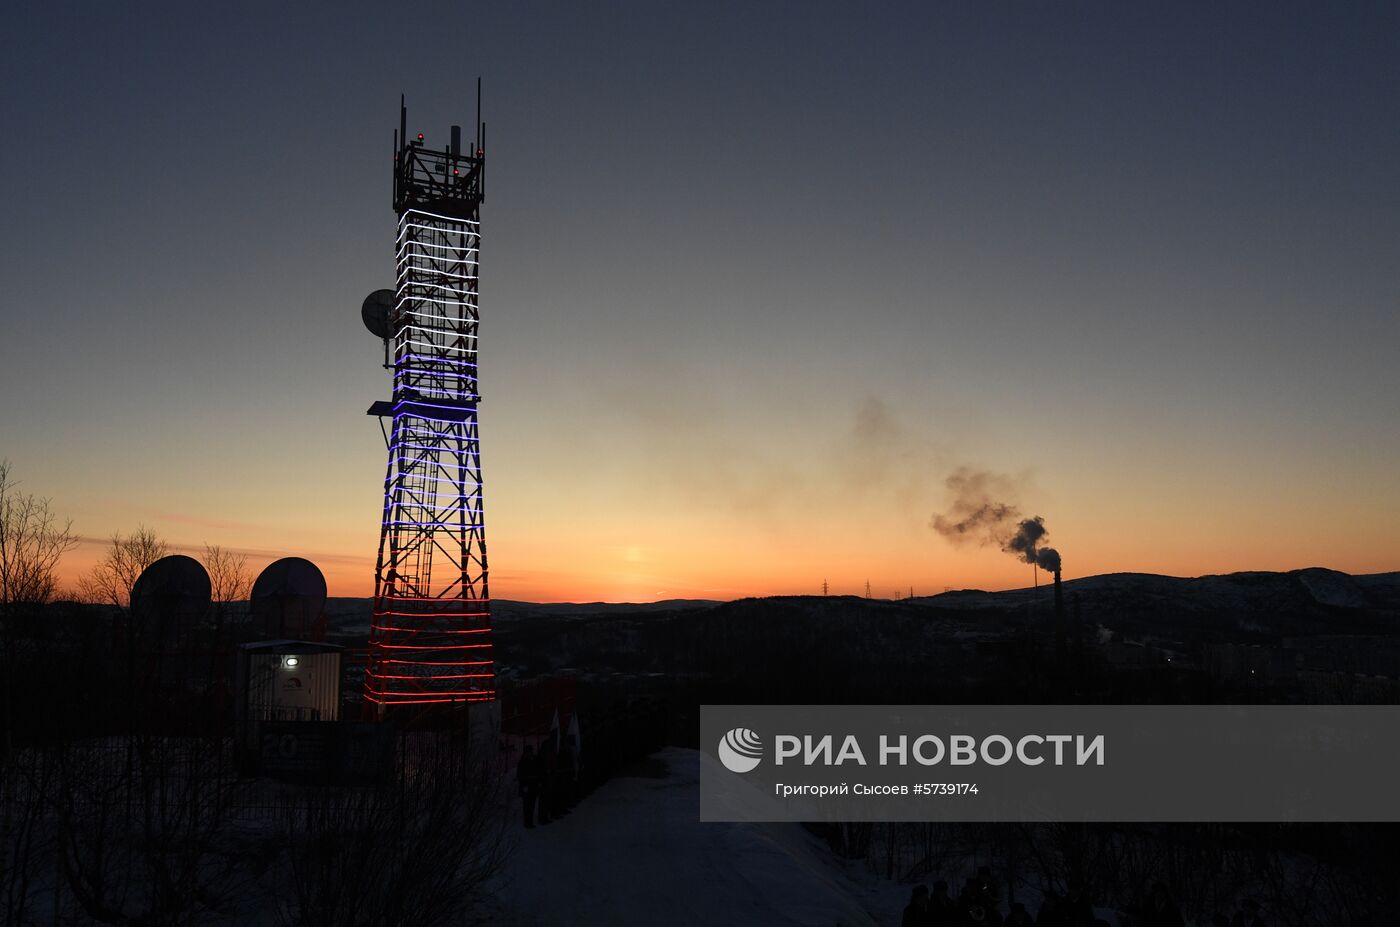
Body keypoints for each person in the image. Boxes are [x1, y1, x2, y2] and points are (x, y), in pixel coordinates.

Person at [517, 744, 541, 828]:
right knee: (527, 805)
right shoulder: (523, 761)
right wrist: (523, 785)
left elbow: (537, 771)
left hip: (533, 785)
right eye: (529, 751)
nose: (530, 752)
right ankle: (527, 822)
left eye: (531, 751)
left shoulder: (534, 760)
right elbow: (520, 775)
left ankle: (530, 821)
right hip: (527, 785)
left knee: (532, 804)